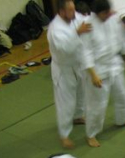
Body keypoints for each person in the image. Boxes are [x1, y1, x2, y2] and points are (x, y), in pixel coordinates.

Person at [82, 0, 125, 148]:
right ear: (97, 13)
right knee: (97, 104)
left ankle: (122, 119)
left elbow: (122, 37)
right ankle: (91, 134)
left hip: (114, 64)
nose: (108, 15)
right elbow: (85, 52)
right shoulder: (88, 25)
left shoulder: (113, 18)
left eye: (108, 12)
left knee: (122, 95)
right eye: (104, 13)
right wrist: (93, 74)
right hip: (98, 68)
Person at [47, 0, 92, 149]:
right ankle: (64, 134)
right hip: (63, 69)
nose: (74, 13)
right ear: (61, 12)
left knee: (81, 92)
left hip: (78, 63)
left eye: (74, 9)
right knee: (66, 102)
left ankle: (78, 116)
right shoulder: (55, 29)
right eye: (71, 10)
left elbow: (86, 20)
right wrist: (78, 32)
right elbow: (64, 49)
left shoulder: (74, 17)